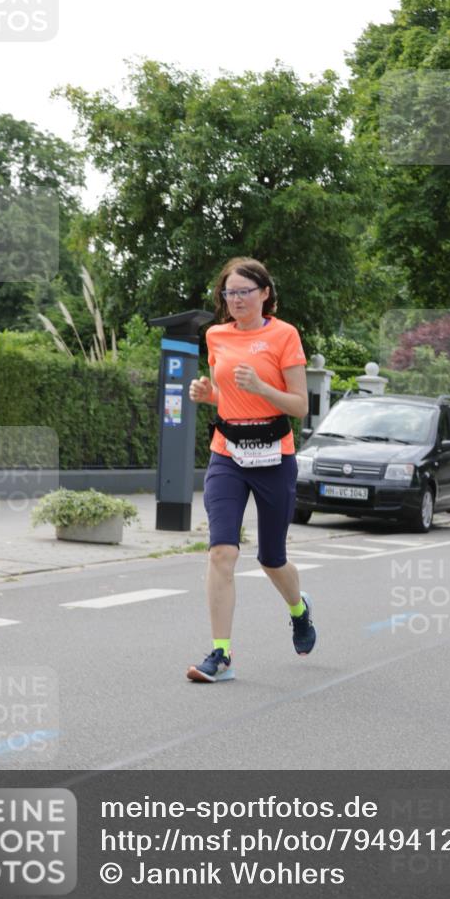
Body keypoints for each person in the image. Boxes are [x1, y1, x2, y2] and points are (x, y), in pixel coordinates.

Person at [186, 257, 315, 682]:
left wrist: (262, 387)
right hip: (227, 453)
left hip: (274, 455)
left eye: (244, 291)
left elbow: (299, 405)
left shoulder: (285, 335)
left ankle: (299, 610)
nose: (236, 299)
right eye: (229, 292)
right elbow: (226, 394)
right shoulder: (216, 335)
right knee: (222, 552)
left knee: (272, 558)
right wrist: (208, 395)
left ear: (265, 293)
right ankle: (220, 654)